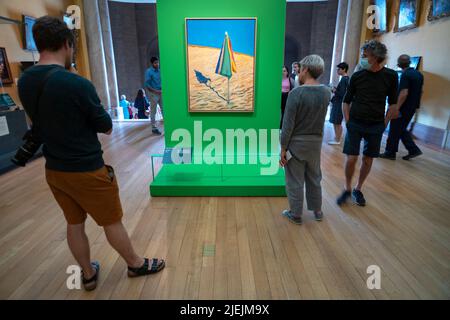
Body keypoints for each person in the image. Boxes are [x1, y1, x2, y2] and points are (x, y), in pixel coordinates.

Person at [17, 16, 165, 291]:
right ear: (66, 44)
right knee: (111, 221)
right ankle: (135, 263)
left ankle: (87, 274)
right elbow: (107, 127)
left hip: (55, 170)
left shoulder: (25, 81)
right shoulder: (77, 84)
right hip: (87, 168)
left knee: (74, 223)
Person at [337, 40, 399, 207]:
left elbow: (393, 104)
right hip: (355, 123)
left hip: (376, 125)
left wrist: (384, 123)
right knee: (351, 159)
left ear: (376, 57)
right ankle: (347, 188)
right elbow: (346, 101)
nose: (362, 59)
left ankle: (358, 188)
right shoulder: (357, 76)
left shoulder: (391, 76)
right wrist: (348, 121)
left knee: (368, 160)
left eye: (365, 56)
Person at [280, 55, 331, 225]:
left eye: (300, 69)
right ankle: (317, 211)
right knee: (315, 177)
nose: (298, 72)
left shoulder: (296, 93)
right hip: (316, 143)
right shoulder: (326, 91)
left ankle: (295, 214)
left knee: (294, 179)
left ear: (306, 70)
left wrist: (282, 149)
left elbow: (287, 125)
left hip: (296, 143)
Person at [380, 54, 423, 160]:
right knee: (401, 129)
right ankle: (413, 150)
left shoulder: (405, 75)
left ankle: (390, 152)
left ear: (399, 64)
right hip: (412, 107)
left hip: (403, 107)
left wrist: (396, 108)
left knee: (395, 129)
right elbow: (421, 92)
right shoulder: (418, 74)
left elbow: (404, 92)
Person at [328, 62, 350, 145]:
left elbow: (342, 94)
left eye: (339, 69)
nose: (337, 70)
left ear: (344, 69)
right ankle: (337, 138)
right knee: (335, 121)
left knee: (337, 122)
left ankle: (337, 139)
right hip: (338, 103)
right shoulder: (345, 79)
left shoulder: (344, 79)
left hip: (339, 103)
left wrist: (334, 90)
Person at [144, 57, 164, 135]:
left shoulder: (160, 71)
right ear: (152, 63)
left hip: (161, 93)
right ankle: (154, 128)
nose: (157, 64)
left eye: (158, 62)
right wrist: (156, 91)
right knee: (153, 111)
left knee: (164, 110)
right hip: (154, 94)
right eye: (155, 63)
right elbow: (147, 85)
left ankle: (167, 127)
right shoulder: (149, 72)